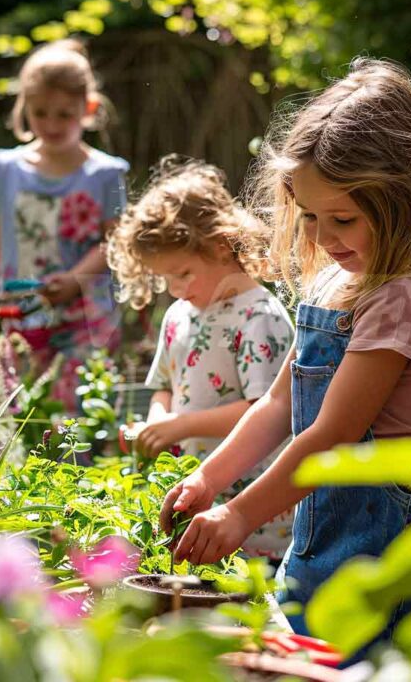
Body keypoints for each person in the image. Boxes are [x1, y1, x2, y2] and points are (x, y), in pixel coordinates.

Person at [158, 58, 411, 653]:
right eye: (309, 217)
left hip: (378, 546)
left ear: (402, 200)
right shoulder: (334, 280)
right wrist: (211, 478)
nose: (322, 237)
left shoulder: (401, 296)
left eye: (343, 219)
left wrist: (239, 515)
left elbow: (333, 433)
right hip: (323, 533)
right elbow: (278, 405)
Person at [107, 155, 295, 561]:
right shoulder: (179, 315)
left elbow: (266, 408)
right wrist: (159, 423)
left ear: (221, 246)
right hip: (195, 489)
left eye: (184, 273)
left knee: (249, 590)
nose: (174, 289)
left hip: (251, 501)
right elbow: (163, 386)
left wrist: (180, 425)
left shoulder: (258, 316)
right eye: (165, 279)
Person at [0, 39, 128, 410]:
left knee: (74, 418)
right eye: (40, 112)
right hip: (23, 320)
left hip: (86, 321)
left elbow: (115, 243)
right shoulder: (5, 168)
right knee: (24, 414)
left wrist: (73, 278)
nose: (51, 123)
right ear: (23, 108)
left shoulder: (107, 174)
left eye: (64, 114)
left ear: (88, 108)